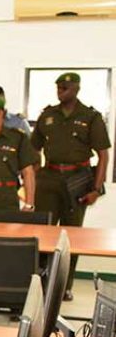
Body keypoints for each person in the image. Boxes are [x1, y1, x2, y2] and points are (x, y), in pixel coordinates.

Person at [32, 72, 111, 300]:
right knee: (43, 231)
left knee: (71, 235)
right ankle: (41, 283)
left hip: (77, 179)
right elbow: (33, 148)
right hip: (49, 179)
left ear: (76, 89)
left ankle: (64, 286)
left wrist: (96, 188)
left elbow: (103, 155)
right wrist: (35, 174)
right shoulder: (47, 115)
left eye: (65, 87)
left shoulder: (90, 117)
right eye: (58, 87)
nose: (60, 91)